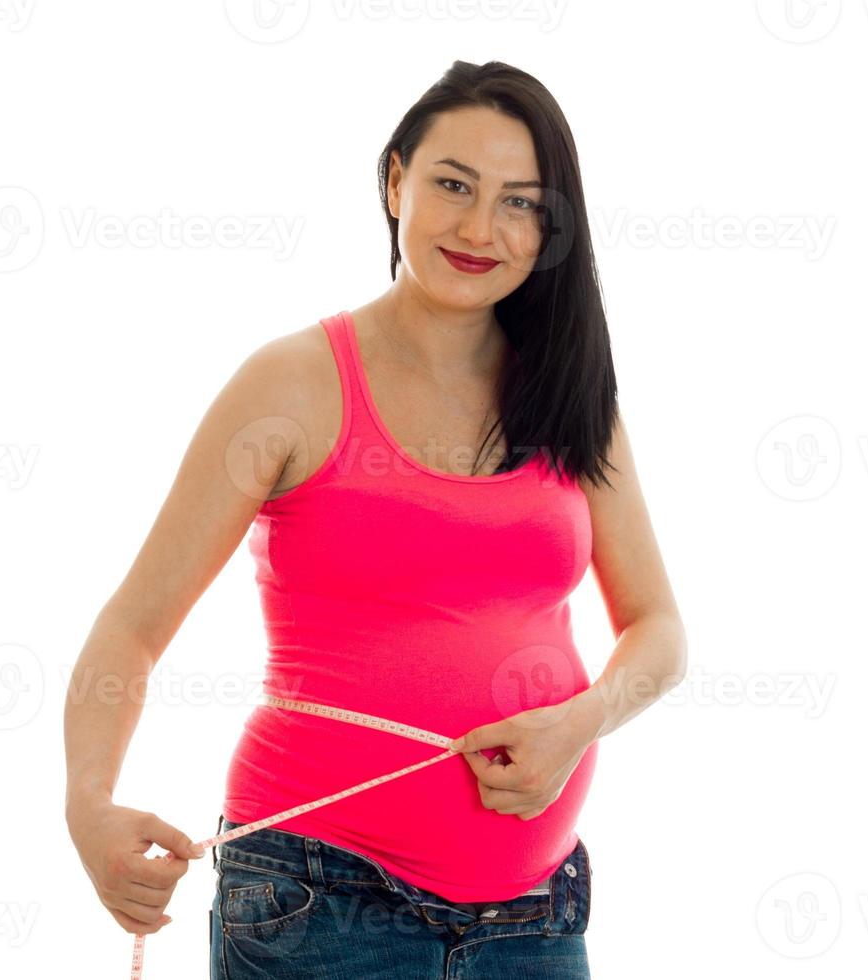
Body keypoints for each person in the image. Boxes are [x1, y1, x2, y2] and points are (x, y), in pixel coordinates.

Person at [62, 59, 687, 978]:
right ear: (394, 180)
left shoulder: (569, 397)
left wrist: (581, 723)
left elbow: (659, 629)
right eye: (451, 185)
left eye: (520, 203)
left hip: (536, 921)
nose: (481, 228)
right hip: (319, 906)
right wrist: (89, 803)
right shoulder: (292, 385)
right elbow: (132, 624)